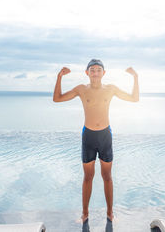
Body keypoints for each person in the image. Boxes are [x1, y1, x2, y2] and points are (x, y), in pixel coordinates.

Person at [53, 59, 139, 230]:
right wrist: (59, 77)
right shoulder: (81, 89)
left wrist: (135, 77)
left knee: (107, 177)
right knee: (88, 177)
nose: (95, 72)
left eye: (99, 69)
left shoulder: (111, 89)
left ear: (103, 73)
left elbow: (134, 98)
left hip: (105, 136)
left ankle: (110, 213)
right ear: (87, 73)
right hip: (89, 137)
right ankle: (85, 213)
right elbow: (57, 98)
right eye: (92, 69)